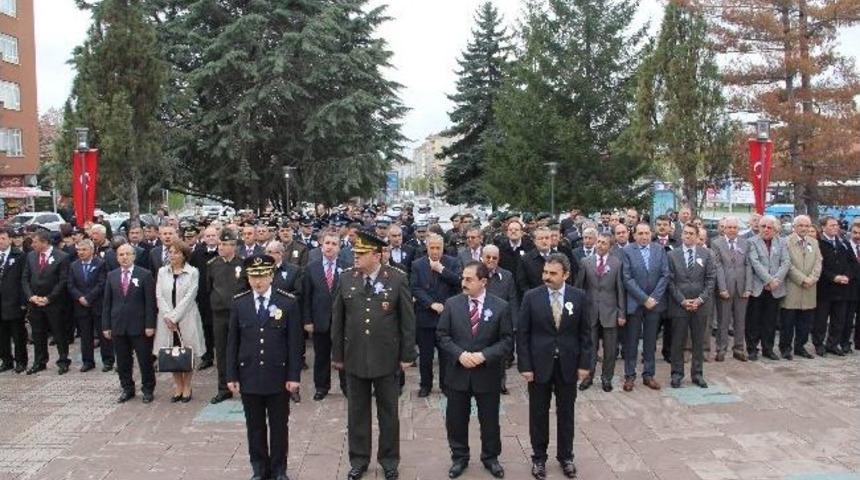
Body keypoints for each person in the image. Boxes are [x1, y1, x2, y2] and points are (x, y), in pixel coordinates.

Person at [332, 231, 416, 480]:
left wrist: (407, 354)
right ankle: (359, 460)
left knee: (388, 412)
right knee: (357, 412)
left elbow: (407, 321)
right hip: (354, 357)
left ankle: (389, 460)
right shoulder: (346, 279)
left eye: (361, 254)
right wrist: (337, 355)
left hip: (386, 358)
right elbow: (338, 319)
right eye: (355, 253)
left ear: (377, 255)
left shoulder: (397, 279)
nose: (355, 257)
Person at [226, 254, 302, 480]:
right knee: (255, 426)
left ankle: (279, 468)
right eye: (253, 277)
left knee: (279, 426)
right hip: (249, 374)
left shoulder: (287, 302)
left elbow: (294, 343)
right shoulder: (240, 303)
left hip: (277, 375)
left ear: (271, 276)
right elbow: (232, 342)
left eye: (262, 276)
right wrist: (231, 375)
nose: (258, 282)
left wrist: (293, 375)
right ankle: (259, 468)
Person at [518, 254, 591, 480]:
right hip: (539, 366)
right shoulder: (532, 297)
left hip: (568, 365)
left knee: (566, 413)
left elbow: (586, 333)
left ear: (566, 275)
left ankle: (566, 457)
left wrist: (585, 364)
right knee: (538, 413)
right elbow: (523, 334)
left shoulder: (579, 297)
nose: (546, 277)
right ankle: (539, 458)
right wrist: (525, 366)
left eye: (552, 273)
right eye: (545, 273)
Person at [437, 261, 512, 479]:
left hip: (486, 374)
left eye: (469, 279)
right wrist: (459, 354)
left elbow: (507, 341)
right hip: (457, 373)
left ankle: (490, 457)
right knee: (456, 419)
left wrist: (484, 355)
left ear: (483, 282)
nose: (463, 283)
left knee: (489, 420)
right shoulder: (452, 304)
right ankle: (459, 457)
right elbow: (442, 336)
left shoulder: (500, 306)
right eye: (463, 278)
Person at [102, 244, 157, 403]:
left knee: (145, 360)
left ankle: (148, 388)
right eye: (121, 255)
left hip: (139, 326)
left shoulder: (145, 274)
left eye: (127, 254)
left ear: (134, 256)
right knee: (123, 360)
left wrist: (150, 324)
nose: (124, 257)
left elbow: (150, 303)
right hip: (118, 325)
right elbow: (107, 303)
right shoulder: (112, 275)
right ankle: (127, 388)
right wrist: (106, 325)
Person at [410, 233, 462, 397]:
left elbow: (459, 282)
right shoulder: (418, 264)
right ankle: (425, 385)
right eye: (431, 248)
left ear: (442, 248)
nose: (435, 251)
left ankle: (445, 384)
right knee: (425, 356)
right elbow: (415, 288)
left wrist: (442, 270)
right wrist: (431, 304)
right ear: (427, 248)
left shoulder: (452, 262)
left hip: (446, 316)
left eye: (438, 248)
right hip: (425, 315)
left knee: (446, 355)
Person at [154, 242, 206, 402]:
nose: (173, 256)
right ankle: (177, 385)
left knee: (187, 351)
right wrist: (168, 317)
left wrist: (175, 317)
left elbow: (190, 296)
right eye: (170, 252)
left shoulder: (192, 272)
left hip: (186, 317)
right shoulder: (162, 272)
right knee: (171, 352)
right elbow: (159, 295)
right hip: (166, 319)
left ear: (184, 255)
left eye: (176, 253)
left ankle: (187, 386)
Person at [620, 223, 670, 391]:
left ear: (651, 234)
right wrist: (644, 299)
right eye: (640, 233)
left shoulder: (659, 249)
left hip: (654, 304)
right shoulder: (627, 251)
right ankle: (629, 376)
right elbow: (627, 279)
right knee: (631, 341)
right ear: (634, 236)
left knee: (650, 342)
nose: (644, 236)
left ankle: (648, 375)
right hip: (635, 304)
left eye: (647, 233)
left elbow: (665, 275)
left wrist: (654, 298)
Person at [666, 223, 716, 388]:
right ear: (681, 236)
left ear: (696, 236)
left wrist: (700, 300)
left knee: (698, 341)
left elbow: (710, 279)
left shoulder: (706, 254)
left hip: (700, 306)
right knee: (678, 341)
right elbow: (670, 281)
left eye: (691, 234)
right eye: (685, 233)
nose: (687, 236)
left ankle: (697, 374)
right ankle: (677, 374)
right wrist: (682, 300)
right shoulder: (672, 255)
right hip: (679, 305)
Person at [575, 232, 625, 392]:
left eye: (604, 243)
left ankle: (606, 378)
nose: (600, 245)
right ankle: (588, 377)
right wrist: (578, 311)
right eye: (599, 242)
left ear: (610, 247)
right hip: (590, 313)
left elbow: (620, 290)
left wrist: (621, 313)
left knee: (610, 350)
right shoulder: (585, 262)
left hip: (610, 312)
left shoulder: (617, 263)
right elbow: (579, 288)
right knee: (590, 348)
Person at [302, 232, 347, 401]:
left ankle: (346, 386)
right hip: (320, 320)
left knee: (342, 355)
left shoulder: (347, 266)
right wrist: (307, 320)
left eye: (334, 244)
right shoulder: (311, 268)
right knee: (321, 356)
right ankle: (321, 387)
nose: (329, 246)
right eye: (327, 243)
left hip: (341, 321)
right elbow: (306, 296)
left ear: (339, 248)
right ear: (321, 245)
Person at [22, 230, 71, 375]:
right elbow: (25, 278)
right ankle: (40, 361)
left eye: (35, 242)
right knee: (38, 333)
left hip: (54, 303)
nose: (32, 245)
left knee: (59, 332)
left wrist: (49, 298)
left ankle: (63, 361)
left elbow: (62, 281)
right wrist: (31, 296)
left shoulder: (62, 257)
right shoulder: (31, 256)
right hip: (35, 303)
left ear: (44, 242)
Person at [207, 230, 245, 404]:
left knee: (242, 351)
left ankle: (244, 386)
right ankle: (223, 388)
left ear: (233, 246)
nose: (220, 247)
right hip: (220, 315)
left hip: (239, 314)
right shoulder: (213, 264)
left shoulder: (243, 264)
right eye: (220, 244)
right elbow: (209, 288)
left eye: (225, 244)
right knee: (221, 352)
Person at [746, 215, 790, 360]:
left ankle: (768, 348)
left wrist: (776, 281)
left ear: (775, 229)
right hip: (758, 287)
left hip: (775, 288)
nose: (766, 229)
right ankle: (752, 349)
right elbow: (755, 263)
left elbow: (786, 262)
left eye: (769, 227)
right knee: (754, 320)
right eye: (763, 226)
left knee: (770, 321)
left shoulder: (782, 242)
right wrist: (769, 281)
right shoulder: (751, 242)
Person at [710, 216, 752, 362]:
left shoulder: (745, 243)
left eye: (735, 227)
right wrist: (722, 288)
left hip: (741, 288)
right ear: (724, 229)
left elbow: (748, 265)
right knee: (723, 320)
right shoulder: (716, 244)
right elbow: (717, 266)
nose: (732, 230)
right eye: (729, 227)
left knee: (741, 320)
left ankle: (739, 348)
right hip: (725, 287)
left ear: (738, 229)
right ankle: (721, 349)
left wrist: (748, 287)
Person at [781, 215, 821, 359]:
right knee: (788, 322)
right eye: (801, 225)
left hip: (810, 288)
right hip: (793, 287)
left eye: (807, 226)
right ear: (794, 226)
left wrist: (812, 279)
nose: (804, 228)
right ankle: (785, 348)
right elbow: (787, 264)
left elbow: (818, 262)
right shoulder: (786, 242)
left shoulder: (814, 242)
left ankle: (800, 347)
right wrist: (803, 279)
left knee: (805, 322)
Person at [67, 239, 111, 372]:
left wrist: (89, 297)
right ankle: (87, 361)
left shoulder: (101, 263)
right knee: (85, 335)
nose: (81, 252)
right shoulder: (74, 265)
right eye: (79, 250)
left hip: (97, 304)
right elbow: (70, 284)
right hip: (81, 306)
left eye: (84, 250)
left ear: (91, 250)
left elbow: (102, 283)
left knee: (103, 335)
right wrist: (80, 297)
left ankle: (108, 360)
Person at [814, 216, 854, 356]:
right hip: (825, 288)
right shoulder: (818, 243)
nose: (835, 228)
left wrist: (847, 276)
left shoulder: (843, 243)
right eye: (831, 225)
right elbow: (819, 266)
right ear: (823, 227)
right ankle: (819, 344)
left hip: (842, 288)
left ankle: (832, 344)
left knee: (838, 320)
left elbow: (851, 262)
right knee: (821, 320)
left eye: (836, 225)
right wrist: (833, 277)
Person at [482, 245, 519, 394]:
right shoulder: (476, 274)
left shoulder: (507, 276)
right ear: (482, 257)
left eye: (494, 258)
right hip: (481, 321)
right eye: (488, 257)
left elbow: (513, 299)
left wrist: (514, 323)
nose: (491, 260)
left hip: (501, 322)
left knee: (500, 355)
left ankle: (501, 383)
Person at [190, 226, 220, 370]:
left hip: (220, 297)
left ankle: (223, 357)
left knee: (221, 329)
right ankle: (207, 357)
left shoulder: (223, 252)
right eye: (207, 236)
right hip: (203, 297)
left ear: (218, 236)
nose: (210, 238)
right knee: (205, 328)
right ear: (203, 238)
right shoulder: (197, 254)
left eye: (213, 235)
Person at [0, 228, 27, 373]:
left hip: (14, 301)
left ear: (10, 239)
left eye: (3, 238)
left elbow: (23, 279)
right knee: (2, 335)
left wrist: (24, 302)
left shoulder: (19, 256)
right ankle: (6, 360)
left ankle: (21, 361)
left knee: (18, 334)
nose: (0, 241)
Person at [518, 227, 553, 296]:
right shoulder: (525, 259)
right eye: (540, 238)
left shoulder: (560, 257)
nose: (544, 241)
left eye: (547, 238)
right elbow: (522, 283)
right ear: (534, 241)